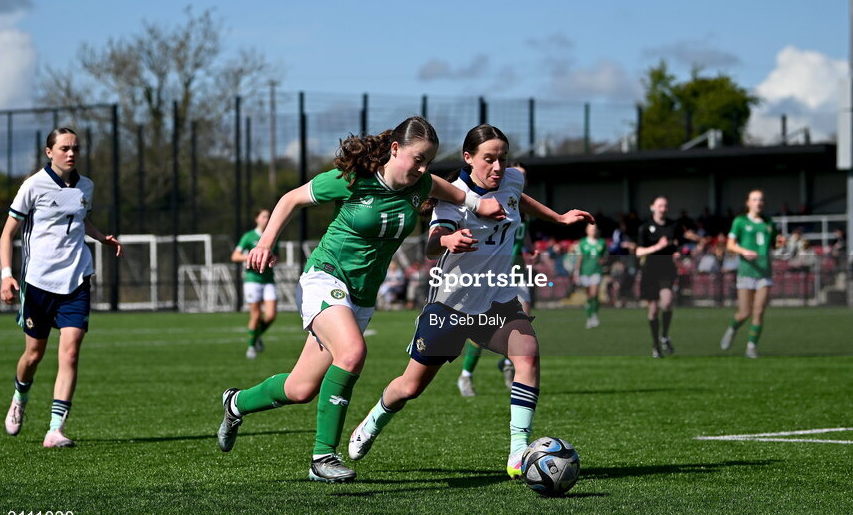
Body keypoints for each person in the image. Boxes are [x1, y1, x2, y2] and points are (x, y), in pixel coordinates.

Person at [215, 116, 505, 483]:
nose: (422, 168)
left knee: (301, 389)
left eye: (428, 161)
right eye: (417, 159)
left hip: (362, 297)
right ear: (395, 149)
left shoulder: (423, 185)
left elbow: (463, 196)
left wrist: (483, 207)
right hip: (325, 277)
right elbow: (291, 199)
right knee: (352, 353)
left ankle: (235, 403)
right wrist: (265, 243)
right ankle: (322, 458)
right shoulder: (354, 180)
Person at [345, 124, 593, 478]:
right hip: (451, 306)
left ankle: (518, 452)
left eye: (502, 159)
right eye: (488, 159)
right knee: (410, 387)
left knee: (527, 353)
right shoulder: (453, 198)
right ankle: (372, 420)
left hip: (497, 299)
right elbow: (432, 242)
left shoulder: (511, 178)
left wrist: (557, 217)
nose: (497, 167)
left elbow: (517, 197)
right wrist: (447, 242)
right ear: (468, 158)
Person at [0, 127, 122, 447]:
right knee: (34, 354)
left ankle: (55, 429)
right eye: (65, 148)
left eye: (76, 148)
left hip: (76, 280)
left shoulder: (86, 186)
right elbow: (7, 234)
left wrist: (101, 237)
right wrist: (6, 275)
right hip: (38, 283)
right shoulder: (32, 186)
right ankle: (19, 398)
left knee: (69, 352)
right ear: (49, 152)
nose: (71, 153)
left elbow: (80, 220)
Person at [457, 163, 533, 397]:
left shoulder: (523, 210)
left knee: (524, 324)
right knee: (483, 328)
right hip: (492, 274)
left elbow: (524, 240)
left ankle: (510, 364)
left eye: (523, 176)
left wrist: (530, 252)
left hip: (516, 274)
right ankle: (466, 375)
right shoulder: (493, 203)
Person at [719, 189, 780, 358]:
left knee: (759, 311)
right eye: (754, 199)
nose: (758, 203)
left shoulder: (769, 222)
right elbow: (730, 245)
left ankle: (751, 347)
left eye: (760, 200)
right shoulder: (740, 221)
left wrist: (781, 243)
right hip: (746, 272)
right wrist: (743, 251)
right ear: (748, 203)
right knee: (744, 312)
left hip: (764, 272)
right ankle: (732, 329)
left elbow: (775, 244)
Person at [634, 196, 687, 358]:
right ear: (653, 207)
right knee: (653, 310)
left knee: (668, 301)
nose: (662, 208)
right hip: (650, 271)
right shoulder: (645, 227)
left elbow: (679, 244)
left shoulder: (673, 226)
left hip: (667, 270)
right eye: (659, 206)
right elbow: (639, 251)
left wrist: (677, 253)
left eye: (665, 206)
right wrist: (658, 246)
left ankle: (664, 335)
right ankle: (656, 345)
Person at [231, 209, 278, 359]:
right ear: (257, 219)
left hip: (268, 279)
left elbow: (277, 256)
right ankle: (251, 347)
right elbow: (235, 256)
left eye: (268, 217)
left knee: (270, 315)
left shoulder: (274, 235)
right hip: (253, 280)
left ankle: (256, 337)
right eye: (264, 216)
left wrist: (273, 258)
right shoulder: (249, 236)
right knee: (256, 315)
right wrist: (251, 256)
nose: (266, 219)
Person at [574, 223, 607, 329]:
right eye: (591, 229)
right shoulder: (583, 243)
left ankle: (595, 315)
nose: (593, 230)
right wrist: (576, 272)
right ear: (587, 230)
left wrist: (603, 261)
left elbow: (605, 256)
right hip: (585, 272)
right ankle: (589, 318)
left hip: (596, 271)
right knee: (589, 296)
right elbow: (579, 258)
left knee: (594, 294)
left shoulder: (602, 242)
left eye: (595, 229)